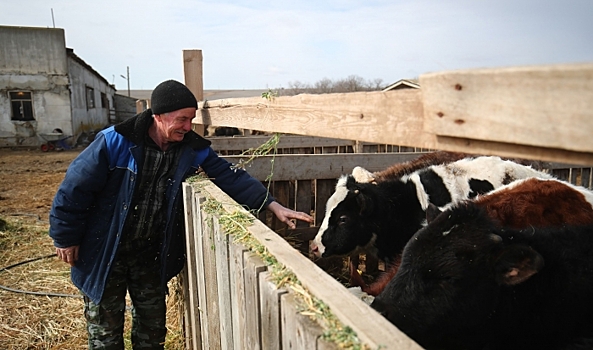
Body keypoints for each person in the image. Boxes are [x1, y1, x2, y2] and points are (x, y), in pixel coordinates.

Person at [49, 79, 313, 349]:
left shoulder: (190, 148)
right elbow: (74, 190)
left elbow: (228, 175)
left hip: (148, 252)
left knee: (152, 329)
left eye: (192, 119)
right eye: (182, 120)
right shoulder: (115, 142)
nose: (188, 127)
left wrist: (272, 204)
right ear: (159, 116)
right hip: (105, 248)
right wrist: (65, 237)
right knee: (105, 332)